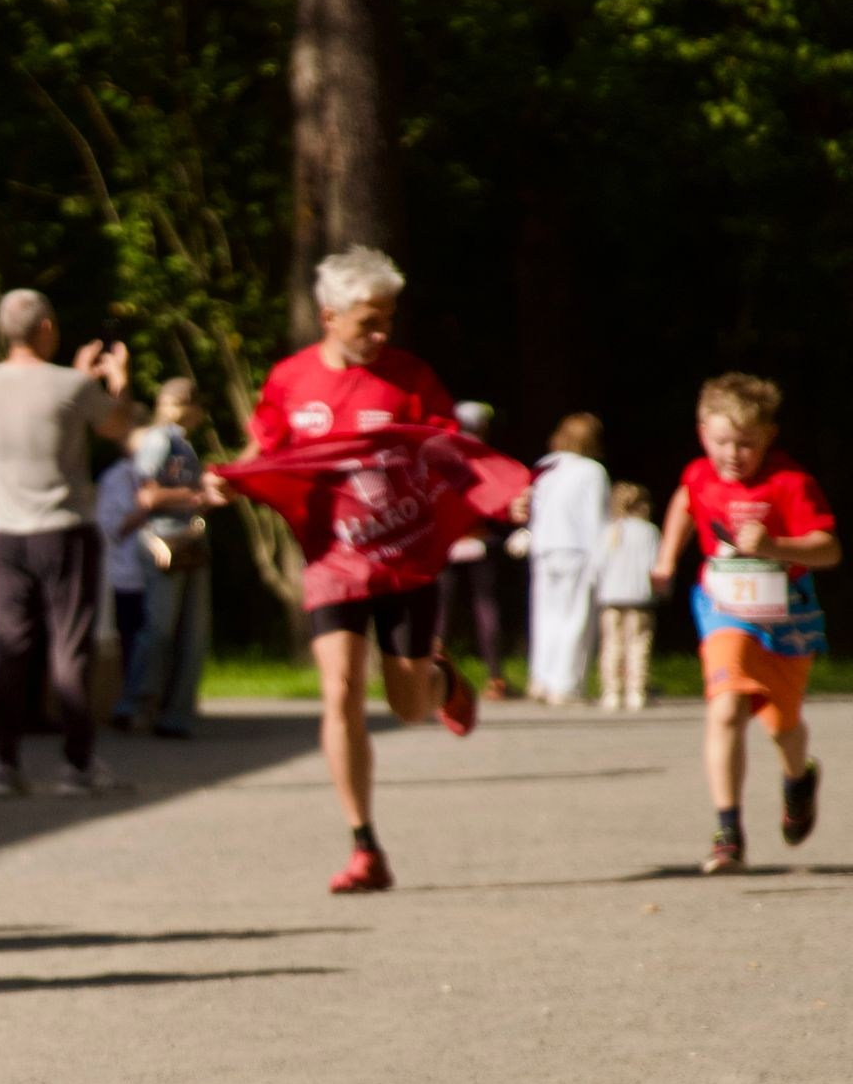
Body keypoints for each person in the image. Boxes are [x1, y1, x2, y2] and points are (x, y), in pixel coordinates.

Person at [229, 247, 480, 895]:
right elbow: (265, 449)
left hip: (404, 560)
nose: (380, 334)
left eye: (388, 320)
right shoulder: (290, 379)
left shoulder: (410, 379)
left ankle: (441, 678)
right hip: (331, 561)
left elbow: (453, 453)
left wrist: (496, 495)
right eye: (369, 322)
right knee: (339, 689)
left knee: (408, 706)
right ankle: (364, 844)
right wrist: (228, 478)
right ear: (329, 317)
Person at [649, 374, 838, 876]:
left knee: (784, 726)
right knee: (726, 705)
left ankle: (798, 778)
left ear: (769, 436)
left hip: (785, 614)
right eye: (721, 442)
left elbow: (829, 549)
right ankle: (728, 833)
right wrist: (666, 558)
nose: (732, 454)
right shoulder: (699, 474)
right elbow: (685, 500)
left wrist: (774, 545)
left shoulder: (789, 482)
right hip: (723, 607)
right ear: (702, 433)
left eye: (746, 444)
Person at [0, 290, 139, 796]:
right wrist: (117, 381)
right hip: (64, 529)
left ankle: (4, 764)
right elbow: (118, 425)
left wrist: (77, 379)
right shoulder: (71, 385)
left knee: (11, 646)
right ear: (46, 328)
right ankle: (77, 765)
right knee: (70, 645)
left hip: (6, 531)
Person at [127, 377, 219, 738]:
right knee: (160, 628)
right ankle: (136, 704)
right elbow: (147, 496)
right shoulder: (159, 440)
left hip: (189, 539)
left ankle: (176, 713)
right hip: (164, 539)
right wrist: (196, 493)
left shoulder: (183, 443)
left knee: (193, 633)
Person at [524, 413, 610, 705]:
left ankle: (540, 679)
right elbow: (596, 518)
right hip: (578, 549)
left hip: (544, 548)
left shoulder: (545, 466)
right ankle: (565, 684)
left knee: (544, 616)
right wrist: (601, 558)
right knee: (575, 617)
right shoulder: (593, 471)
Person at [437, 400, 513, 698]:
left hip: (448, 541)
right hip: (480, 538)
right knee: (486, 605)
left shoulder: (442, 455)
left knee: (441, 610)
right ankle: (496, 678)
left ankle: (432, 677)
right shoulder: (487, 457)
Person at [595, 481, 661, 711]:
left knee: (611, 644)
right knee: (638, 644)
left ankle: (611, 691)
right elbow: (655, 566)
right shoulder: (649, 531)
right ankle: (636, 691)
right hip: (639, 597)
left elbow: (596, 565)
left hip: (611, 597)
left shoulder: (609, 531)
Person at [97, 450, 151, 732]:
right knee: (133, 640)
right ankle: (130, 703)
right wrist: (146, 509)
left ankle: (147, 703)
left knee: (156, 637)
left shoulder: (165, 472)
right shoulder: (117, 478)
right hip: (127, 575)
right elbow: (111, 527)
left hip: (160, 572)